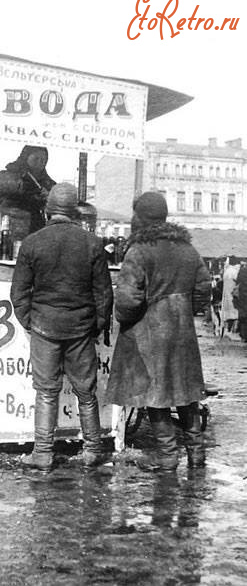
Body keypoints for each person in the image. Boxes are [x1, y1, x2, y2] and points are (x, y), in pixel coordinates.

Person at [10, 183, 113, 471]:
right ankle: (93, 449)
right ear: (75, 213)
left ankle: (42, 454)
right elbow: (104, 294)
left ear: (47, 211)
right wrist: (96, 325)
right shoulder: (92, 243)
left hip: (44, 327)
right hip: (80, 328)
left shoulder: (32, 243)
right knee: (86, 392)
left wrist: (30, 321)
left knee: (46, 391)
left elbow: (19, 292)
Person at [106, 192, 211, 471]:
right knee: (186, 393)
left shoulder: (139, 251)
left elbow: (128, 300)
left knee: (155, 395)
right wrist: (185, 311)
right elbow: (203, 289)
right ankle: (197, 453)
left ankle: (167, 455)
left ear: (140, 218)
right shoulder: (188, 250)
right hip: (182, 333)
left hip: (148, 334)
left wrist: (124, 318)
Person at [0, 145, 56, 241]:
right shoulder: (6, 175)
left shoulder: (48, 183)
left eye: (44, 160)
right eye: (36, 158)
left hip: (36, 233)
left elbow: (59, 198)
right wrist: (31, 188)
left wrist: (50, 196)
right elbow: (3, 183)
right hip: (9, 231)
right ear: (26, 157)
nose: (40, 162)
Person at [221, 255, 240, 339]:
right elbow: (238, 282)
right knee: (235, 313)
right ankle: (234, 330)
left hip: (226, 294)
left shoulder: (227, 271)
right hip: (233, 295)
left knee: (227, 313)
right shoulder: (235, 271)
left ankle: (226, 330)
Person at [235, 262, 247, 342]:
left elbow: (237, 281)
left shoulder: (242, 270)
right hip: (243, 295)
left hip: (243, 296)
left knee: (243, 317)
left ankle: (243, 336)